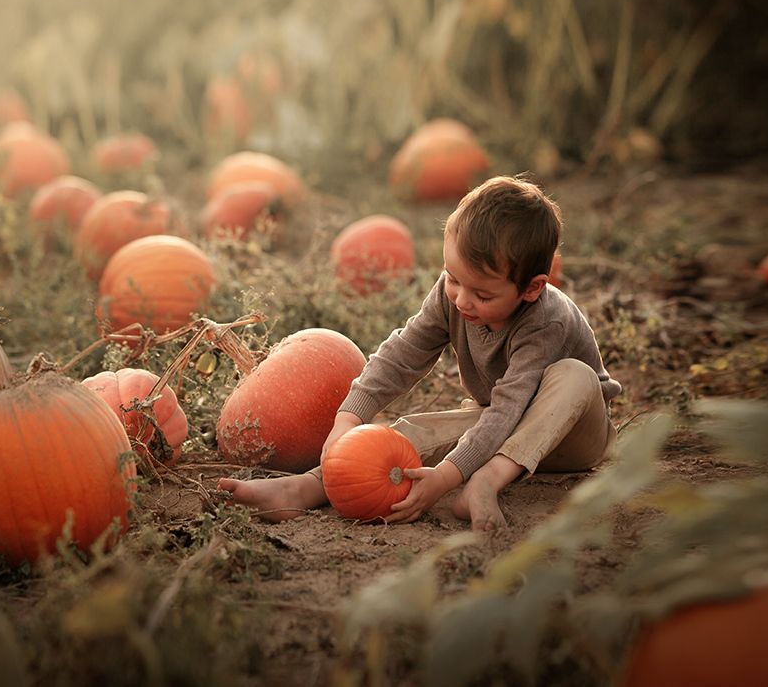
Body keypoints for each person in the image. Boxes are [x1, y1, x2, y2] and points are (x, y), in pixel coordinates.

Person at [218, 175, 622, 531]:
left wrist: (449, 477)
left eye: (482, 294)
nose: (462, 299)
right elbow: (402, 353)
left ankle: (486, 481)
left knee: (573, 374)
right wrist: (348, 418)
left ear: (531, 289)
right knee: (414, 430)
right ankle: (308, 485)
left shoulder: (545, 320)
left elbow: (510, 407)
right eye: (453, 279)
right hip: (502, 423)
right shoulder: (456, 294)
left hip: (571, 436)